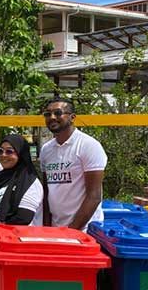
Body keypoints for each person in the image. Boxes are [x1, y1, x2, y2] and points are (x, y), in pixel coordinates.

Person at [40, 98, 107, 231]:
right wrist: (47, 228)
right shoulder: (46, 149)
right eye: (47, 114)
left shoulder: (88, 145)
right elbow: (46, 192)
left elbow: (94, 196)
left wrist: (71, 231)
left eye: (58, 113)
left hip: (84, 229)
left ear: (72, 117)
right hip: (56, 228)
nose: (52, 117)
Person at [0, 135, 44, 233]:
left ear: (20, 154)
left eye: (9, 151)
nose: (3, 155)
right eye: (0, 151)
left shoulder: (30, 182)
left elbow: (23, 218)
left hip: (13, 242)